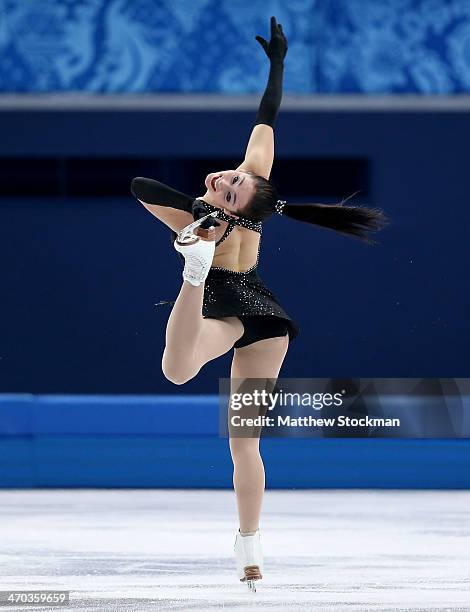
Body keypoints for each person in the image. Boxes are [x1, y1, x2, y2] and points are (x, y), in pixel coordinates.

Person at [131, 16, 388, 591]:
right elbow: (265, 118)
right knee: (229, 427)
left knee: (186, 380)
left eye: (228, 187)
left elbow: (143, 188)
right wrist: (277, 64)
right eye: (231, 178)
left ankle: (192, 271)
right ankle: (250, 552)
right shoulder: (248, 184)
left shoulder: (209, 215)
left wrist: (203, 219)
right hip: (264, 315)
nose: (223, 177)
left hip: (237, 310)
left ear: (241, 209)